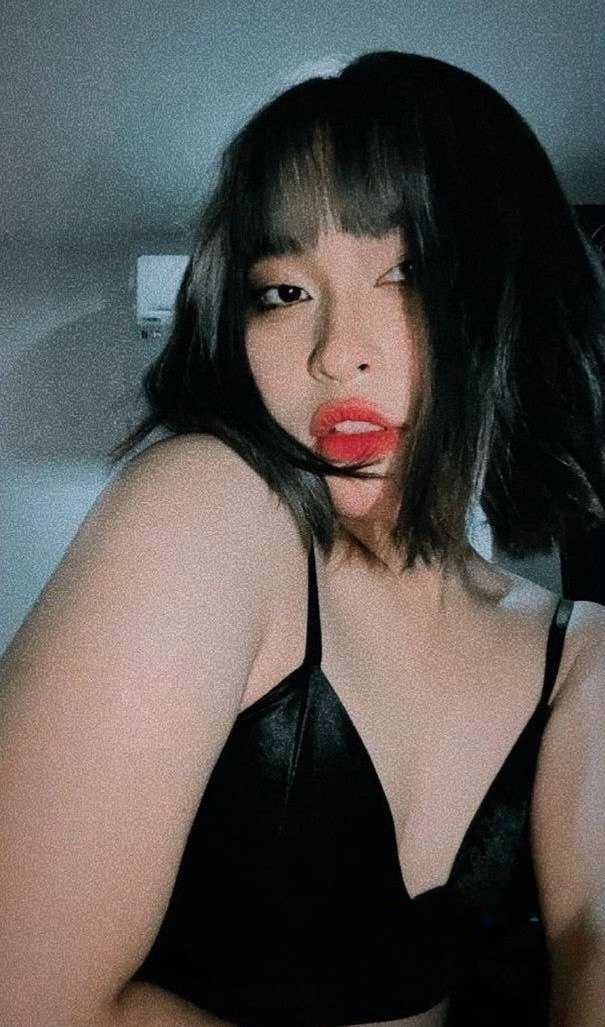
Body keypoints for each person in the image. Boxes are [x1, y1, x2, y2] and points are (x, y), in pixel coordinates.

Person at [1, 50, 604, 1027]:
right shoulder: (209, 503)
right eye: (283, 292)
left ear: (513, 292)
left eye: (405, 272)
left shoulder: (580, 655)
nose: (335, 353)